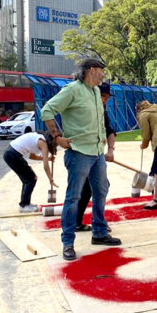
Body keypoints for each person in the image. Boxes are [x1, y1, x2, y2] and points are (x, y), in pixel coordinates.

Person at [41, 58, 121, 262]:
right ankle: (68, 242)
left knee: (101, 190)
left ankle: (99, 233)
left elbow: (101, 120)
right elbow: (47, 111)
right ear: (92, 70)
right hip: (78, 153)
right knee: (73, 197)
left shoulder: (95, 91)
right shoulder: (72, 90)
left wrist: (103, 138)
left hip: (96, 152)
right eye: (101, 71)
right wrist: (57, 137)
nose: (103, 75)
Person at [75, 82, 115, 232]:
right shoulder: (86, 108)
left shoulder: (102, 110)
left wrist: (110, 150)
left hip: (96, 156)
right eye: (102, 96)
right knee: (87, 189)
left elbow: (110, 131)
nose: (105, 100)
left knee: (94, 187)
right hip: (82, 154)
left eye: (107, 97)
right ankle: (94, 224)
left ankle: (83, 222)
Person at [3, 131, 57, 213]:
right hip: (13, 155)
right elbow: (46, 166)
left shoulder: (39, 138)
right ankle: (24, 205)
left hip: (10, 154)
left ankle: (25, 203)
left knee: (28, 179)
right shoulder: (43, 143)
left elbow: (32, 156)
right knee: (31, 179)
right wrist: (51, 179)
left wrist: (48, 159)